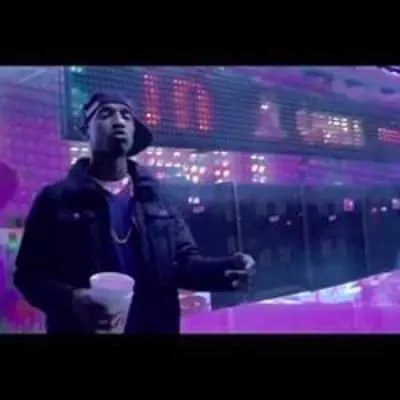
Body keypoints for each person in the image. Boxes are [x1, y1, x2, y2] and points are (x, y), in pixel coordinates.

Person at [13, 92, 255, 333]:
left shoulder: (157, 198)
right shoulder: (56, 200)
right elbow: (28, 276)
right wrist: (72, 300)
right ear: (87, 130)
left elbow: (182, 264)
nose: (119, 121)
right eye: (105, 114)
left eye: (126, 116)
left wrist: (225, 271)